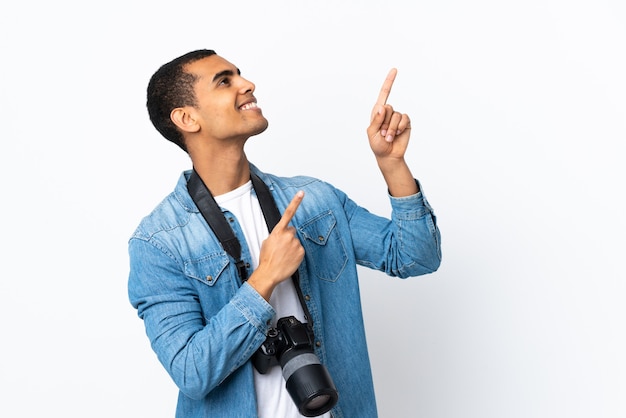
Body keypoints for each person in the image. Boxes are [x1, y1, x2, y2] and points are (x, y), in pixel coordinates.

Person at [128, 49, 441, 418]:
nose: (248, 84)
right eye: (225, 81)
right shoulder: (158, 242)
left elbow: (416, 257)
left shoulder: (313, 201)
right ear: (186, 118)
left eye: (239, 74)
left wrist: (392, 165)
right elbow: (191, 372)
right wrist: (264, 279)